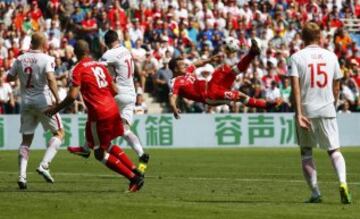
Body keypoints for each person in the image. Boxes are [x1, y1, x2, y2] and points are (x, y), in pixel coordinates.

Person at [45, 40, 144, 192]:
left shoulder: (77, 69)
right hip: (112, 108)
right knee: (107, 143)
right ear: (89, 51)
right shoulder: (99, 66)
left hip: (100, 113)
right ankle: (134, 169)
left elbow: (72, 96)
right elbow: (115, 90)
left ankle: (134, 178)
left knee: (99, 153)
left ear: (74, 53)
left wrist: (55, 109)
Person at [67, 30, 150, 174]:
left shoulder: (108, 54)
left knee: (97, 116)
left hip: (118, 92)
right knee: (124, 129)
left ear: (105, 43)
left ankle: (87, 148)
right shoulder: (126, 50)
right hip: (131, 94)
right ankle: (141, 154)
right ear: (118, 39)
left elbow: (95, 68)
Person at [288, 22, 351, 204]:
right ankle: (342, 182)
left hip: (306, 110)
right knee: (334, 150)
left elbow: (296, 88)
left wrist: (298, 112)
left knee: (306, 152)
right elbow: (337, 84)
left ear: (302, 37)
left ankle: (316, 193)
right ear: (320, 37)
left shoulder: (296, 58)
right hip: (327, 108)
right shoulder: (331, 57)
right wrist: (333, 103)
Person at [7, 32, 64, 189]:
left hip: (26, 103)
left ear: (31, 42)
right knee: (59, 133)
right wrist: (58, 100)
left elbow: (9, 78)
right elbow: (51, 79)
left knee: (26, 141)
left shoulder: (20, 58)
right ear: (43, 43)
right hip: (43, 102)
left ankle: (22, 176)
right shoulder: (46, 59)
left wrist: (18, 70)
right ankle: (44, 165)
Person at [169, 38, 275, 119]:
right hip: (209, 95)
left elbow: (196, 64)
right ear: (175, 69)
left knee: (228, 70)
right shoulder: (175, 82)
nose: (185, 66)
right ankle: (265, 105)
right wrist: (174, 108)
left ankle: (252, 53)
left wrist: (210, 59)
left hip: (211, 84)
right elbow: (172, 97)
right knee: (240, 96)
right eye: (182, 65)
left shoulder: (187, 71)